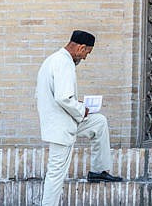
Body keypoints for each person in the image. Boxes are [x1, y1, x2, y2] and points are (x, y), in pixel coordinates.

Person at [36, 30, 122, 206]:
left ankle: (99, 170)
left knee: (99, 122)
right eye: (86, 53)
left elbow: (60, 96)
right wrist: (81, 109)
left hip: (64, 121)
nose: (85, 57)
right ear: (81, 47)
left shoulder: (53, 60)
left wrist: (79, 105)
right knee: (56, 172)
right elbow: (63, 98)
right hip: (61, 127)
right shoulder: (64, 63)